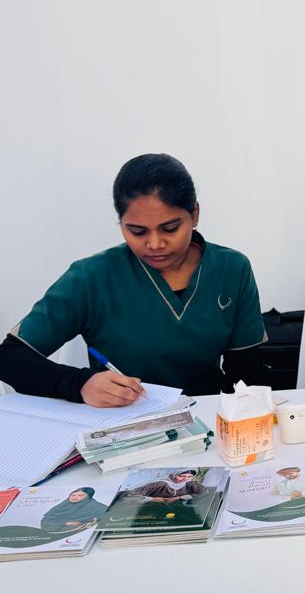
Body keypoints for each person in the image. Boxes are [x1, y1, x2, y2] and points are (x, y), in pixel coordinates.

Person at [0, 154, 266, 406]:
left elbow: (246, 370)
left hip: (206, 416)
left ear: (194, 214)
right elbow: (9, 358)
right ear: (121, 222)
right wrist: (80, 383)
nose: (155, 244)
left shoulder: (232, 268)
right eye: (137, 231)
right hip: (121, 421)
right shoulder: (91, 278)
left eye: (170, 228)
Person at [39, 487, 108, 533]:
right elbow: (45, 522)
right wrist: (64, 523)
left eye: (80, 495)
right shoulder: (61, 507)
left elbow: (104, 520)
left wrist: (83, 524)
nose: (75, 497)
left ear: (88, 497)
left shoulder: (97, 507)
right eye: (73, 495)